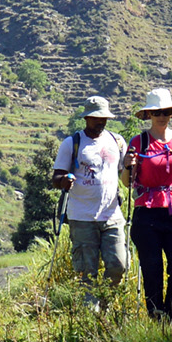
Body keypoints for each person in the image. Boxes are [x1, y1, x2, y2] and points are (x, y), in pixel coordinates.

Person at [124, 87, 172, 321]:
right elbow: (127, 182)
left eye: (166, 111)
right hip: (146, 213)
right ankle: (157, 316)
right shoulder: (139, 141)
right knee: (152, 268)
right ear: (150, 115)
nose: (162, 116)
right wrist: (127, 165)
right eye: (157, 113)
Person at [49, 95, 128, 291]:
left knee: (119, 265)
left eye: (103, 118)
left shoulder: (117, 142)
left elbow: (127, 174)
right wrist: (64, 181)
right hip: (82, 217)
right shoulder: (72, 143)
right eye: (95, 118)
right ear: (86, 118)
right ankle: (90, 314)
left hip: (112, 216)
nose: (100, 122)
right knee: (86, 273)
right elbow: (56, 178)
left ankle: (106, 307)